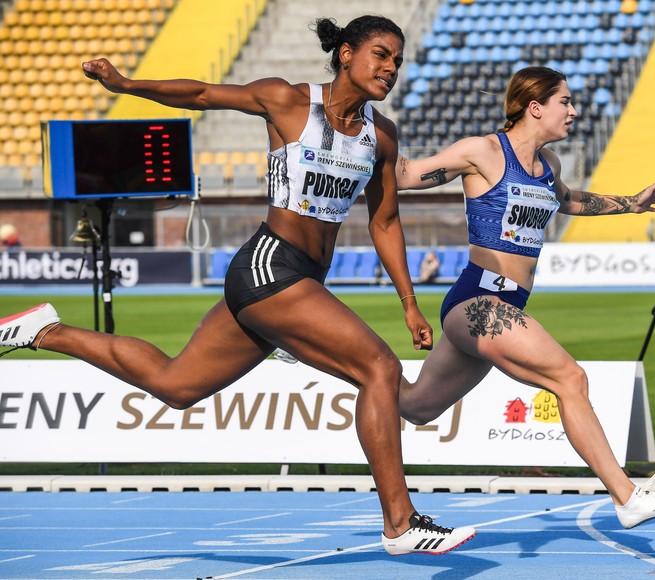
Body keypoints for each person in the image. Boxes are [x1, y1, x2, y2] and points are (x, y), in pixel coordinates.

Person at [0, 15, 475, 556]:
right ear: (346, 54)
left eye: (398, 60)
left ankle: (46, 332)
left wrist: (410, 305)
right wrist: (127, 86)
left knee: (177, 386)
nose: (390, 68)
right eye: (381, 54)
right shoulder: (288, 100)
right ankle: (400, 523)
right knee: (380, 369)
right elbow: (202, 93)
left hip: (296, 280)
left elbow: (384, 222)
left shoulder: (381, 135)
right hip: (270, 267)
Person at [395, 66, 655, 529]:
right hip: (476, 302)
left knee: (414, 406)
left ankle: (323, 352)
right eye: (565, 102)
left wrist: (631, 204)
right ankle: (627, 496)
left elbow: (568, 200)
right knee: (570, 378)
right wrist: (364, 136)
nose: (573, 112)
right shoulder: (483, 152)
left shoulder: (549, 166)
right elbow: (408, 176)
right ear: (536, 107)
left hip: (507, 307)